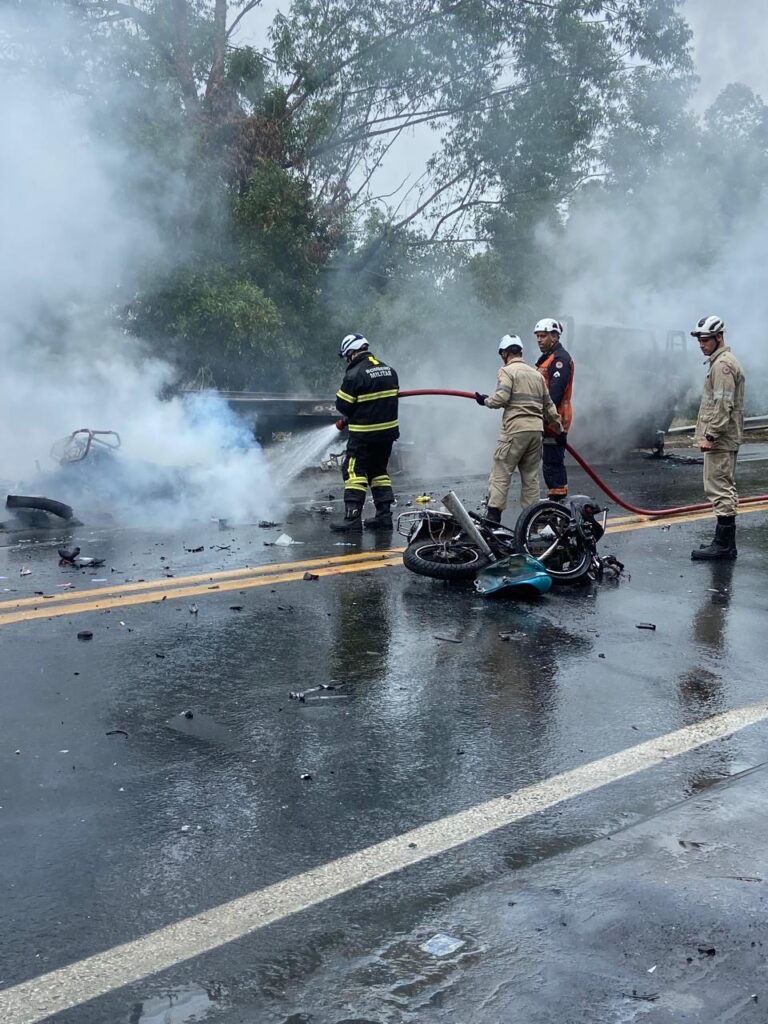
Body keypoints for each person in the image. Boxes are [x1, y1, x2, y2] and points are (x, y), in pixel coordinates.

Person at [475, 334, 564, 522]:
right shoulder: (536, 374)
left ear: (505, 353)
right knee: (530, 478)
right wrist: (559, 429)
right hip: (535, 433)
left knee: (501, 472)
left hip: (515, 431)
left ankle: (493, 518)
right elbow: (549, 406)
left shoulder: (507, 371)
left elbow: (501, 398)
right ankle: (533, 520)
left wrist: (485, 401)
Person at [331, 332, 399, 533]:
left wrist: (350, 414)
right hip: (386, 435)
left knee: (353, 472)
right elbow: (381, 401)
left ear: (351, 352)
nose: (347, 360)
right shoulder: (389, 370)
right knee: (378, 472)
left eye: (347, 356)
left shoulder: (354, 375)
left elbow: (343, 405)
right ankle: (384, 516)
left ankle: (352, 519)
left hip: (364, 436)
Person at [689, 315, 745, 561]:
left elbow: (724, 405)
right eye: (700, 340)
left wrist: (710, 435)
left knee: (720, 489)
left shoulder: (722, 365)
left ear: (719, 337)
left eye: (706, 340)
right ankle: (722, 543)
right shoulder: (720, 362)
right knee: (720, 487)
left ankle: (724, 546)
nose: (702, 344)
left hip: (721, 439)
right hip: (722, 438)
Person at [534, 318, 574, 500]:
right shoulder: (548, 359)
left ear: (555, 336)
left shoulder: (560, 360)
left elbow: (555, 394)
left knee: (553, 463)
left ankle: (558, 507)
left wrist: (546, 417)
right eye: (537, 336)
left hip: (555, 419)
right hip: (547, 418)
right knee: (549, 462)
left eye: (543, 336)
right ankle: (556, 505)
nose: (539, 340)